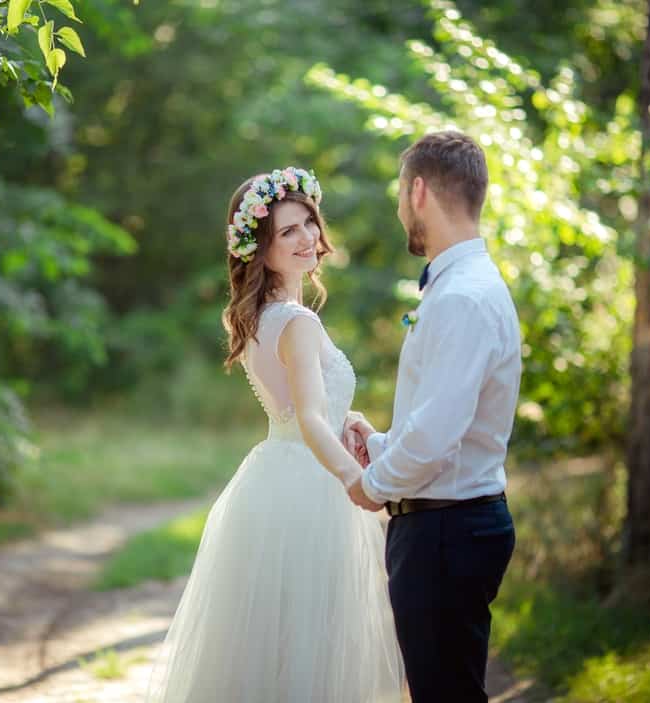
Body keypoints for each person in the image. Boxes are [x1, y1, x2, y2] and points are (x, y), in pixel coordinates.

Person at [144, 167, 403, 702]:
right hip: (312, 489)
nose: (308, 236)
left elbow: (298, 410)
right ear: (259, 249)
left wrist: (345, 419)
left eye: (308, 223)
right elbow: (308, 417)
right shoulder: (298, 323)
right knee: (311, 643)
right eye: (288, 231)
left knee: (271, 646)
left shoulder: (258, 317)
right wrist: (358, 479)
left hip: (271, 482)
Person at [345, 131, 521, 703]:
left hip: (446, 530)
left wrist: (372, 484)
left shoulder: (462, 298)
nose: (400, 210)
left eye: (400, 195)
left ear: (419, 191)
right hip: (448, 523)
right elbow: (443, 418)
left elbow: (438, 439)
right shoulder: (462, 287)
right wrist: (382, 440)